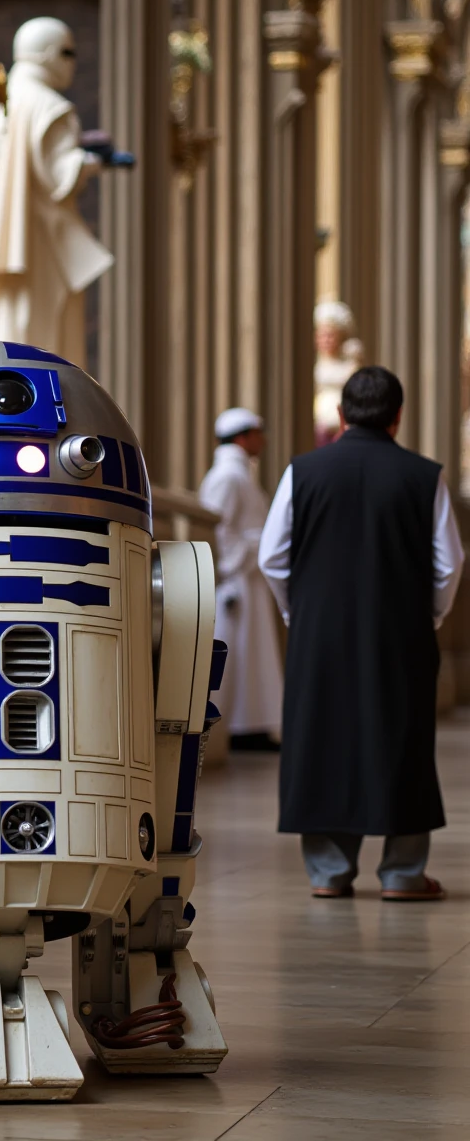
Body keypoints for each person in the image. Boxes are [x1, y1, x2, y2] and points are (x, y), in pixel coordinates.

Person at [258, 367, 465, 901]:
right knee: (403, 738)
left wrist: (295, 611)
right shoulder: (425, 476)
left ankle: (330, 871)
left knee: (322, 737)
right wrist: (431, 616)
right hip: (401, 630)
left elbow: (272, 556)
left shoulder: (303, 472)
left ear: (341, 415)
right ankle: (402, 873)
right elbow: (449, 565)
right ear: (398, 416)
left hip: (319, 630)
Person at [0, 17, 128, 369]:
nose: (72, 63)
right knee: (44, 343)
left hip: (5, 244)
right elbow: (58, 176)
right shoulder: (51, 107)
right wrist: (94, 162)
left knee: (5, 332)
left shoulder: (1, 108)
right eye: (66, 52)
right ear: (44, 55)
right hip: (40, 244)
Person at [199, 408, 283, 752]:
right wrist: (244, 558)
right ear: (242, 437)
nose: (262, 441)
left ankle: (251, 725)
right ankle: (236, 727)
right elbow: (217, 529)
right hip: (237, 581)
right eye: (258, 433)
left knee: (252, 656)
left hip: (249, 577)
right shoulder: (227, 477)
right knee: (237, 656)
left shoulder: (239, 474)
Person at [314, 299, 362, 446]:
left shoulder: (350, 364)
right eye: (322, 335)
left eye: (331, 335)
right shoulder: (315, 364)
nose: (326, 340)